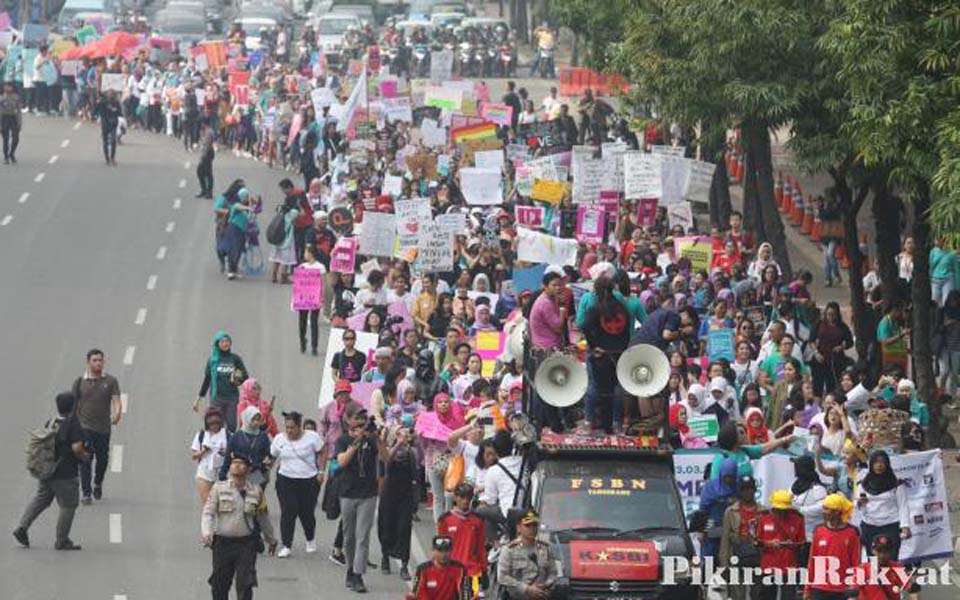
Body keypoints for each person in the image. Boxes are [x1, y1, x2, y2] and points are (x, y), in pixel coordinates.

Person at [14, 391, 87, 550]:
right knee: (68, 506)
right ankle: (62, 540)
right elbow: (76, 447)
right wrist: (84, 456)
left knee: (40, 500)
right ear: (73, 406)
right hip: (65, 474)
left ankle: (22, 527)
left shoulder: (51, 422)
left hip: (47, 471)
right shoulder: (73, 423)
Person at [202, 453, 279, 600]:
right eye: (234, 462)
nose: (237, 465)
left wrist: (271, 539)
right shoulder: (219, 488)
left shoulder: (256, 491)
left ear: (249, 469)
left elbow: (263, 517)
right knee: (219, 586)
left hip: (246, 544)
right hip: (222, 544)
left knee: (245, 584)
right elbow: (208, 513)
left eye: (241, 463)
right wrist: (207, 532)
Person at [336, 402, 390, 593]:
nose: (360, 422)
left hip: (368, 493)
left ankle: (358, 575)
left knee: (362, 537)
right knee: (349, 537)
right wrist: (356, 442)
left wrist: (377, 439)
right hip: (348, 493)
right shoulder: (343, 440)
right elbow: (341, 461)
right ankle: (350, 569)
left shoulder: (371, 440)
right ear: (348, 420)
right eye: (356, 418)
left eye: (362, 418)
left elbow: (386, 458)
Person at [71, 348, 122, 504]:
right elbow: (73, 406)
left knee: (103, 459)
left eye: (100, 360)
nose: (98, 363)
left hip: (103, 429)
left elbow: (116, 400)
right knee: (85, 459)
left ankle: (97, 482)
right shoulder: (79, 382)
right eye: (95, 360)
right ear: (88, 362)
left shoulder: (111, 381)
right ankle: (86, 493)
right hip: (84, 427)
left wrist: (117, 413)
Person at [270, 411, 323, 558]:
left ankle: (310, 539)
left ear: (300, 426)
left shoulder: (312, 437)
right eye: (287, 427)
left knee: (306, 513)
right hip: (286, 479)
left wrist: (321, 471)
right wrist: (267, 470)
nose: (289, 431)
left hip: (308, 480)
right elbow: (273, 456)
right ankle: (286, 544)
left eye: (292, 427)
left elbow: (322, 451)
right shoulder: (279, 439)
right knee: (288, 512)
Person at [377, 424, 419, 580]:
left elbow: (415, 476)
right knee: (387, 527)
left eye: (405, 432)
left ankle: (404, 564)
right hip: (388, 494)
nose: (404, 434)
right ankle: (385, 557)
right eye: (400, 432)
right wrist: (397, 444)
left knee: (404, 529)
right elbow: (387, 462)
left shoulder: (411, 452)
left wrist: (415, 498)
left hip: (405, 495)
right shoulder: (387, 449)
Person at [857, 450, 910, 559]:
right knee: (872, 561)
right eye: (876, 462)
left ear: (887, 464)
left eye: (882, 462)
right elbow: (859, 508)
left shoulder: (896, 484)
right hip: (870, 526)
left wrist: (905, 526)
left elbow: (903, 506)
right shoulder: (863, 484)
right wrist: (861, 504)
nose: (879, 465)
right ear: (871, 465)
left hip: (890, 526)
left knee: (891, 559)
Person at [806, 494, 860, 600]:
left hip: (842, 589)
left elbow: (855, 562)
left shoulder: (852, 533)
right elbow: (812, 561)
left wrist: (854, 587)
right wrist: (807, 589)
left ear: (837, 512)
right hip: (819, 588)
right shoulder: (819, 530)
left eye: (827, 509)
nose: (823, 511)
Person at [754, 490, 806, 600]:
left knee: (788, 597)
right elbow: (756, 542)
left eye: (785, 509)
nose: (782, 512)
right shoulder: (763, 518)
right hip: (768, 565)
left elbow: (802, 543)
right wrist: (769, 543)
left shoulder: (798, 519)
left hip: (789, 566)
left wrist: (792, 545)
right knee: (766, 596)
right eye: (779, 509)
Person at [437, 483, 487, 596]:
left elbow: (481, 548)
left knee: (474, 596)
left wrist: (484, 571)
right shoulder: (445, 519)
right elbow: (440, 549)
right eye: (462, 497)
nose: (465, 501)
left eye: (468, 498)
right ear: (455, 497)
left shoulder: (478, 520)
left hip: (473, 570)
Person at [497, 509, 558, 600]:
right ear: (518, 528)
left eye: (534, 525)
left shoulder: (546, 548)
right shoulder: (509, 550)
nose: (532, 529)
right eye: (527, 525)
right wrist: (527, 589)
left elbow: (553, 573)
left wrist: (546, 585)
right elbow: (502, 577)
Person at [719, 475, 762, 600]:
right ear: (740, 491)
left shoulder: (763, 511)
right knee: (738, 595)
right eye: (744, 489)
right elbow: (725, 540)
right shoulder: (731, 511)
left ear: (755, 489)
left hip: (757, 557)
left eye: (750, 488)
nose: (747, 492)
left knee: (758, 593)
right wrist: (724, 564)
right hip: (737, 557)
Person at [196, 331, 248, 431]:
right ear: (217, 344)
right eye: (222, 341)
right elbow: (207, 379)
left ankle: (230, 445)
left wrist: (238, 380)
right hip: (217, 398)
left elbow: (246, 377)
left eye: (227, 341)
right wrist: (198, 399)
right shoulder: (212, 360)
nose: (225, 343)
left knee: (232, 425)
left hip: (232, 397)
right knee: (217, 425)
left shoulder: (235, 358)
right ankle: (218, 446)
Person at [220, 407, 273, 488]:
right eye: (253, 419)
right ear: (246, 419)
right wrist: (222, 477)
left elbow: (268, 455)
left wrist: (266, 463)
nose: (256, 423)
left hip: (257, 473)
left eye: (258, 420)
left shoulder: (263, 436)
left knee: (253, 497)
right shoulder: (236, 436)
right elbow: (227, 457)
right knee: (239, 498)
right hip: (238, 473)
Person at [849, 535, 912, 600]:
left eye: (886, 551)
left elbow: (911, 590)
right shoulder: (862, 569)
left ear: (890, 552)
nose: (882, 555)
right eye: (879, 551)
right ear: (873, 550)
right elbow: (853, 593)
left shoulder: (898, 568)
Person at [409, 535, 470, 600]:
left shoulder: (460, 569)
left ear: (451, 550)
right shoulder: (422, 570)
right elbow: (416, 592)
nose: (443, 554)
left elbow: (465, 592)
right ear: (433, 551)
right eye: (440, 550)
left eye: (446, 550)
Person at [192, 408, 229, 506]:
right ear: (207, 423)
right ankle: (208, 521)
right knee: (208, 505)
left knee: (223, 505)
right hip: (205, 472)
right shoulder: (202, 435)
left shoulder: (227, 434)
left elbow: (233, 451)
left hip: (222, 473)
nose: (214, 426)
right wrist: (203, 451)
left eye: (217, 422)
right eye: (211, 423)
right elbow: (194, 455)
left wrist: (225, 453)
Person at [295, 245, 326, 354]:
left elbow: (322, 283)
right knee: (302, 321)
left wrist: (321, 298)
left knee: (314, 322)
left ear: (310, 254)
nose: (304, 254)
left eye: (306, 252)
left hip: (314, 298)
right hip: (303, 299)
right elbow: (298, 285)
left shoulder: (320, 267)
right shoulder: (302, 267)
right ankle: (302, 341)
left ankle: (314, 346)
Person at [94, 90, 122, 165]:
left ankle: (112, 158)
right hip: (105, 124)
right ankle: (107, 158)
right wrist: (97, 103)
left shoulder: (116, 103)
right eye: (109, 94)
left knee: (113, 141)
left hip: (113, 123)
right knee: (105, 142)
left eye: (112, 94)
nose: (111, 96)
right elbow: (95, 111)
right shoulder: (102, 102)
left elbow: (120, 113)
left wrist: (115, 111)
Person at [1, 81, 23, 164]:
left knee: (16, 138)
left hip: (13, 118)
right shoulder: (2, 98)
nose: (7, 88)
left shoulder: (16, 97)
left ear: (12, 88)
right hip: (4, 118)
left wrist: (20, 123)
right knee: (5, 139)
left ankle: (12, 153)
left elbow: (19, 111)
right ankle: (6, 157)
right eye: (6, 86)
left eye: (9, 86)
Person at [196, 119, 216, 199]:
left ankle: (208, 192)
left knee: (206, 173)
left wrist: (203, 156)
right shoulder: (204, 131)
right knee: (201, 172)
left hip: (207, 153)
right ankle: (204, 190)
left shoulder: (209, 132)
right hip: (206, 153)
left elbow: (207, 145)